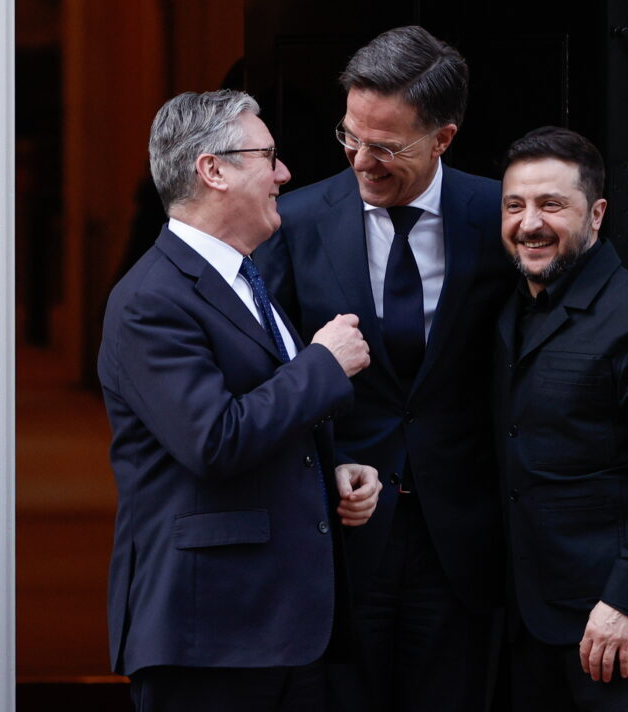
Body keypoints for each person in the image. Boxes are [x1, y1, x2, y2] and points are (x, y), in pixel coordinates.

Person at [254, 26, 628, 712]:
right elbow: (257, 360)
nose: (362, 160)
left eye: (387, 147)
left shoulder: (497, 213)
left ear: (442, 138)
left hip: (469, 551)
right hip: (341, 538)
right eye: (350, 137)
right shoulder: (293, 223)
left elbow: (586, 300)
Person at [97, 89, 383, 712]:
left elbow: (259, 419)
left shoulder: (245, 278)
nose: (284, 174)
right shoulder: (150, 299)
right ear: (213, 170)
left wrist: (326, 469)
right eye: (268, 157)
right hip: (209, 635)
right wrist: (323, 364)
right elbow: (213, 440)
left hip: (281, 629)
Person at [492, 126, 628, 711]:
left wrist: (625, 602)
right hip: (528, 625)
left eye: (551, 204)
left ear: (597, 214)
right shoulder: (508, 307)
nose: (529, 223)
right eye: (515, 205)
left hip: (621, 628)